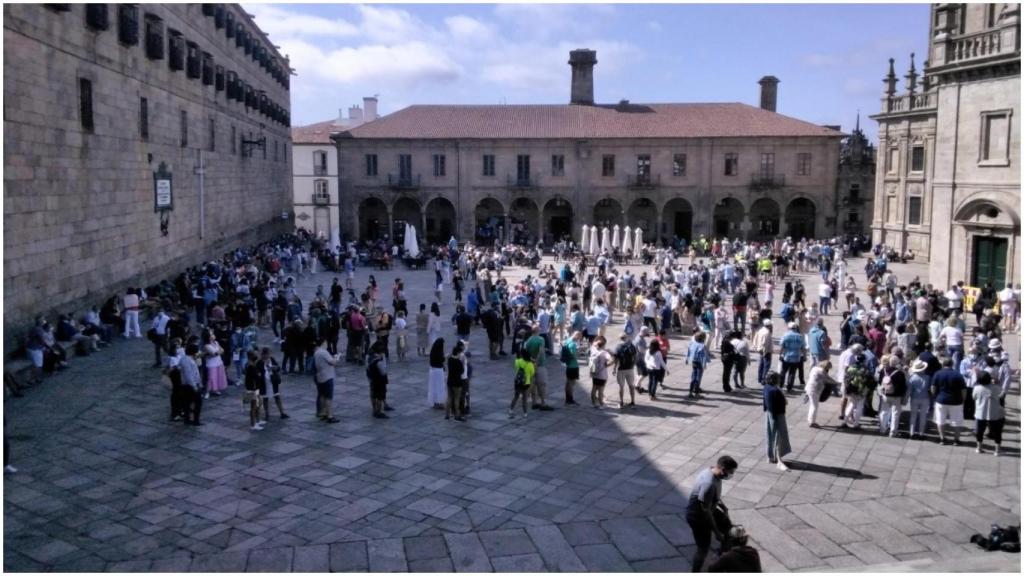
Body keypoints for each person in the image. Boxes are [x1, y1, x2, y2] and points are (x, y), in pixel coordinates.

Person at [686, 455, 739, 573]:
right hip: (698, 517)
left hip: (709, 508)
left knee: (729, 530)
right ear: (723, 469)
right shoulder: (708, 483)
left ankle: (722, 557)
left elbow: (712, 497)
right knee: (703, 549)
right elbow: (706, 510)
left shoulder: (712, 471)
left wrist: (722, 505)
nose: (731, 475)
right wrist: (716, 531)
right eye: (731, 472)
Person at [932, 357, 965, 445]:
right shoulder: (958, 375)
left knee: (940, 420)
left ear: (943, 364)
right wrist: (963, 399)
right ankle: (956, 440)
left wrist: (935, 397)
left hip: (941, 400)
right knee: (957, 421)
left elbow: (933, 388)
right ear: (952, 364)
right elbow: (963, 390)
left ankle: (942, 439)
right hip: (956, 401)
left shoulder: (938, 374)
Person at [763, 372, 791, 470]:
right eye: (778, 378)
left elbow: (766, 402)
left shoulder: (767, 387)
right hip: (777, 416)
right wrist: (775, 420)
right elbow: (774, 406)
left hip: (769, 414)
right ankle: (779, 459)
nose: (780, 380)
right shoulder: (775, 391)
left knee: (770, 435)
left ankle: (771, 456)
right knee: (778, 437)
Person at [972, 371, 1004, 455]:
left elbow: (973, 397)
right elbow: (1001, 395)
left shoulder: (977, 388)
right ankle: (997, 450)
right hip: (994, 413)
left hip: (980, 413)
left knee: (980, 432)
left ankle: (979, 448)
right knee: (997, 432)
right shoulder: (996, 388)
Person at [524, 325, 553, 411]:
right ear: (537, 330)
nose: (540, 329)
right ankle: (543, 403)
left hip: (530, 365)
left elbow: (525, 353)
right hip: (540, 365)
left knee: (533, 385)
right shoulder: (541, 339)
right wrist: (536, 361)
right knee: (542, 384)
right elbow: (540, 351)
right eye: (539, 328)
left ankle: (534, 402)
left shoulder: (528, 340)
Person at [877, 355, 907, 437]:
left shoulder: (883, 370)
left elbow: (879, 382)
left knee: (884, 411)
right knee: (895, 414)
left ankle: (882, 429)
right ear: (897, 363)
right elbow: (903, 386)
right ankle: (893, 432)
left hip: (885, 395)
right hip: (896, 396)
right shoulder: (900, 373)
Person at [255, 346, 287, 422]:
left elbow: (278, 367)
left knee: (277, 396)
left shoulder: (272, 359)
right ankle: (267, 414)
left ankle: (282, 413)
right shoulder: (259, 362)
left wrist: (275, 368)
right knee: (265, 398)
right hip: (265, 383)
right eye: (266, 354)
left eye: (268, 354)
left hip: (273, 381)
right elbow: (258, 373)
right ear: (263, 354)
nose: (267, 356)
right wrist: (264, 367)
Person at [313, 338, 341, 423]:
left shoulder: (316, 352)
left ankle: (323, 412)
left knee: (322, 395)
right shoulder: (323, 352)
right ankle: (330, 415)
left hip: (320, 376)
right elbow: (333, 362)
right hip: (327, 376)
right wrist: (337, 358)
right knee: (328, 397)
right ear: (323, 343)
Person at [805, 360, 838, 428]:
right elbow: (828, 379)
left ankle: (810, 419)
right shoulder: (822, 372)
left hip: (809, 387)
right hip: (815, 390)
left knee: (812, 405)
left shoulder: (814, 368)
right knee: (814, 406)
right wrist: (836, 383)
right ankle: (812, 422)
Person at [179, 343, 203, 426]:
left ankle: (188, 419)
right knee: (197, 402)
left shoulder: (187, 359)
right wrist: (194, 386)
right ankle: (195, 420)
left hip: (190, 384)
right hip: (189, 385)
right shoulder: (187, 361)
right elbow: (188, 375)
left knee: (187, 402)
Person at [611, 332, 638, 407]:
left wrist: (614, 369)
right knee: (631, 386)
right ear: (626, 337)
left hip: (621, 369)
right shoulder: (631, 346)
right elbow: (636, 356)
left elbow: (616, 359)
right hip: (630, 369)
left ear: (619, 338)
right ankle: (633, 401)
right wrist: (633, 365)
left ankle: (621, 402)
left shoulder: (618, 347)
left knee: (621, 386)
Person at [366, 341, 390, 419]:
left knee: (373, 394)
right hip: (379, 380)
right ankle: (378, 412)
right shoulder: (378, 361)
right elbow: (383, 371)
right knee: (380, 395)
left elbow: (367, 368)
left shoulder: (369, 356)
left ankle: (374, 410)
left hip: (372, 378)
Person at [509, 347, 535, 419]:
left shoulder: (517, 361)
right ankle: (525, 413)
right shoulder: (530, 364)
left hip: (517, 382)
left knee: (516, 396)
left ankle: (511, 409)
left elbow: (516, 366)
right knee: (524, 399)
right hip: (526, 384)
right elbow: (532, 374)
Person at [588, 336, 612, 409]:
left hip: (594, 372)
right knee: (601, 390)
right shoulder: (604, 353)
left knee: (594, 388)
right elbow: (611, 360)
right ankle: (601, 404)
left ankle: (594, 403)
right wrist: (607, 364)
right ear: (604, 345)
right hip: (602, 374)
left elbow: (594, 344)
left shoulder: (593, 349)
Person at [445, 341, 466, 422]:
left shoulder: (450, 359)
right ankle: (457, 415)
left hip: (449, 381)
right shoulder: (458, 362)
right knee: (457, 399)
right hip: (457, 382)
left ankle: (447, 414)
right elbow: (462, 371)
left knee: (449, 398)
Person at [560, 331, 582, 406]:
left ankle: (568, 399)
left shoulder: (567, 341)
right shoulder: (572, 344)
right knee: (571, 384)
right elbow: (574, 356)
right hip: (573, 366)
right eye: (579, 337)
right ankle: (570, 400)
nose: (579, 339)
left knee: (568, 383)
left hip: (568, 365)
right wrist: (579, 351)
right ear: (577, 336)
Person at [243, 350, 264, 430]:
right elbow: (256, 376)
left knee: (258, 405)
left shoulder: (251, 365)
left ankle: (258, 421)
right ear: (250, 356)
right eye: (254, 355)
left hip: (255, 388)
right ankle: (253, 424)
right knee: (253, 406)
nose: (256, 356)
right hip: (252, 388)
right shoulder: (250, 366)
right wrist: (259, 374)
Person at [687, 332, 711, 399]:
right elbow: (703, 356)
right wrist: (704, 365)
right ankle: (696, 393)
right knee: (698, 378)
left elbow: (689, 351)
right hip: (699, 363)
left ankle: (690, 392)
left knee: (693, 377)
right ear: (703, 338)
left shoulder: (692, 343)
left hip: (693, 362)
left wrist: (687, 359)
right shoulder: (702, 346)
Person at [752, 320, 773, 386]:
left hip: (760, 349)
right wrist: (765, 352)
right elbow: (765, 343)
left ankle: (760, 378)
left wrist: (755, 346)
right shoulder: (767, 332)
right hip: (766, 351)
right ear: (769, 325)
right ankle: (763, 380)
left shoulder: (760, 330)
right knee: (766, 366)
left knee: (761, 364)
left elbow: (755, 338)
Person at [427, 338, 447, 409]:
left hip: (432, 370)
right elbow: (442, 359)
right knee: (440, 387)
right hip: (438, 371)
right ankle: (440, 402)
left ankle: (434, 402)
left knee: (433, 387)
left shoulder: (433, 350)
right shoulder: (439, 352)